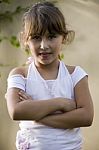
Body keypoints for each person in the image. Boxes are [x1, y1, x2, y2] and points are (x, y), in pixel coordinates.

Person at [6, 1, 94, 150]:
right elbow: (16, 111)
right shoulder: (20, 75)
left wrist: (34, 112)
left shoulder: (75, 75)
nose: (43, 45)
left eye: (51, 36)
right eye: (36, 37)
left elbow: (86, 117)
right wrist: (61, 103)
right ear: (25, 39)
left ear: (63, 38)